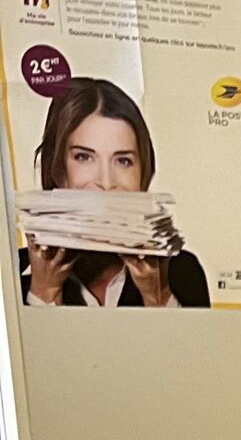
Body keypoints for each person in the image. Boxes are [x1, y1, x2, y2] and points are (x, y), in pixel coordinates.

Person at [18, 78, 208, 308]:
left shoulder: (183, 272)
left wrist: (158, 297)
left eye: (123, 161)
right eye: (83, 157)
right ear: (57, 169)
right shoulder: (11, 274)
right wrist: (44, 293)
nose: (106, 183)